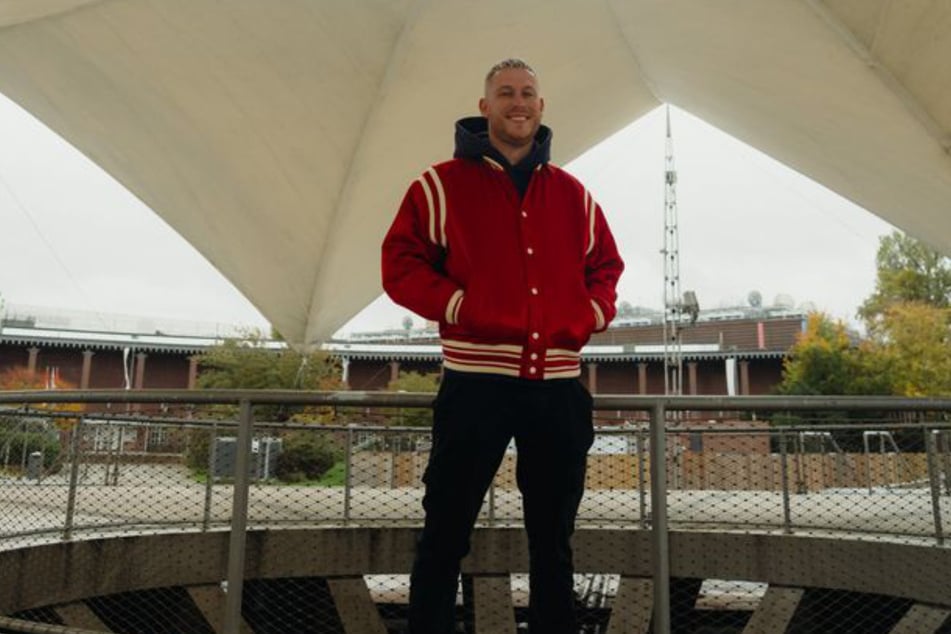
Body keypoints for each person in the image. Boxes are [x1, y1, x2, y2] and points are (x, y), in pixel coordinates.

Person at [381, 58, 624, 633]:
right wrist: (463, 308)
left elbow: (606, 267)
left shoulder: (573, 195)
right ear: (485, 106)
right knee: (445, 532)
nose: (519, 102)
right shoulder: (438, 185)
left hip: (558, 389)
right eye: (506, 93)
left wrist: (588, 314)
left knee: (554, 541)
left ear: (541, 108)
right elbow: (400, 266)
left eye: (529, 94)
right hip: (476, 385)